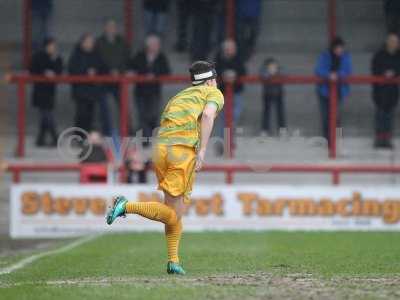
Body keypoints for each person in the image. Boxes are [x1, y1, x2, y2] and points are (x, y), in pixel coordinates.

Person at [106, 61, 224, 275]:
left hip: (160, 148)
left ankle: (173, 261)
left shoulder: (179, 96)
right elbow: (207, 115)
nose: (217, 83)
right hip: (182, 150)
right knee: (172, 213)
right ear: (210, 81)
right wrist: (203, 150)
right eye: (215, 79)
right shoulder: (213, 93)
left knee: (175, 210)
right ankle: (126, 206)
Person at [128, 35, 171, 145]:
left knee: (153, 115)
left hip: (154, 92)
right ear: (148, 46)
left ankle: (150, 136)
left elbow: (166, 72)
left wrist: (155, 75)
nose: (156, 47)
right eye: (153, 45)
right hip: (140, 91)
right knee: (142, 115)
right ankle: (145, 140)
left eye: (157, 45)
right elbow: (132, 68)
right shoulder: (140, 56)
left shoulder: (161, 57)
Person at [96, 19, 130, 136]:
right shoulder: (99, 42)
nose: (111, 29)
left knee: (123, 105)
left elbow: (126, 58)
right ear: (105, 28)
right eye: (109, 27)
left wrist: (119, 71)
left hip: (119, 80)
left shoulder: (122, 42)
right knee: (104, 107)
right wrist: (109, 71)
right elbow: (98, 60)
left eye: (113, 27)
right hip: (104, 79)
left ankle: (127, 131)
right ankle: (106, 132)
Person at [315, 37, 352, 146]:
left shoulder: (346, 57)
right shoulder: (324, 56)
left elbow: (348, 71)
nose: (340, 50)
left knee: (337, 117)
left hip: (339, 92)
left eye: (341, 48)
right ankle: (327, 141)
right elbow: (318, 70)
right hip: (324, 92)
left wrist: (338, 75)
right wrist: (329, 75)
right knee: (325, 117)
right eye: (338, 48)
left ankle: (338, 139)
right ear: (333, 48)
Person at [68, 34, 105, 137]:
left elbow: (103, 68)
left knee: (91, 116)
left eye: (91, 42)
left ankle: (88, 137)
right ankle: (78, 137)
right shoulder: (76, 55)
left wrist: (95, 71)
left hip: (93, 91)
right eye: (87, 42)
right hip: (80, 91)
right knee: (80, 115)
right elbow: (72, 70)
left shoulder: (97, 55)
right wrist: (85, 72)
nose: (89, 44)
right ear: (82, 42)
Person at [30, 37, 63, 147]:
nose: (53, 48)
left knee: (45, 115)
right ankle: (55, 137)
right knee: (46, 114)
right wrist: (45, 72)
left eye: (54, 46)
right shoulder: (38, 56)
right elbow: (33, 69)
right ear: (46, 46)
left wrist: (53, 62)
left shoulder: (56, 57)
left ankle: (40, 139)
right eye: (51, 45)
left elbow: (59, 71)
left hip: (50, 90)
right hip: (40, 90)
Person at [371, 33, 400, 149]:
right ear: (387, 42)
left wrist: (394, 73)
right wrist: (384, 73)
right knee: (380, 116)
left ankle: (387, 139)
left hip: (393, 91)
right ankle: (379, 139)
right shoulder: (379, 55)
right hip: (380, 91)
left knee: (390, 116)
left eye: (395, 42)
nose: (393, 44)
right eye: (391, 41)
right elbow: (374, 68)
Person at [214, 39, 246, 138]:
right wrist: (224, 74)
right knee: (223, 117)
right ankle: (222, 139)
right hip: (222, 93)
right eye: (228, 49)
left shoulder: (239, 59)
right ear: (224, 49)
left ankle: (229, 140)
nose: (231, 50)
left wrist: (234, 74)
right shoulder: (218, 59)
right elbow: (214, 71)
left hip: (236, 92)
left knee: (234, 115)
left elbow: (243, 72)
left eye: (232, 48)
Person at [260, 58, 286, 135]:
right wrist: (269, 73)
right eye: (270, 66)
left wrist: (276, 72)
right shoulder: (264, 71)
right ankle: (264, 130)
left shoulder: (280, 71)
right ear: (267, 67)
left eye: (274, 65)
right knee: (266, 113)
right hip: (267, 94)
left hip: (279, 94)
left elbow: (285, 75)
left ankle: (282, 130)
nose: (272, 67)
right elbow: (262, 75)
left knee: (280, 112)